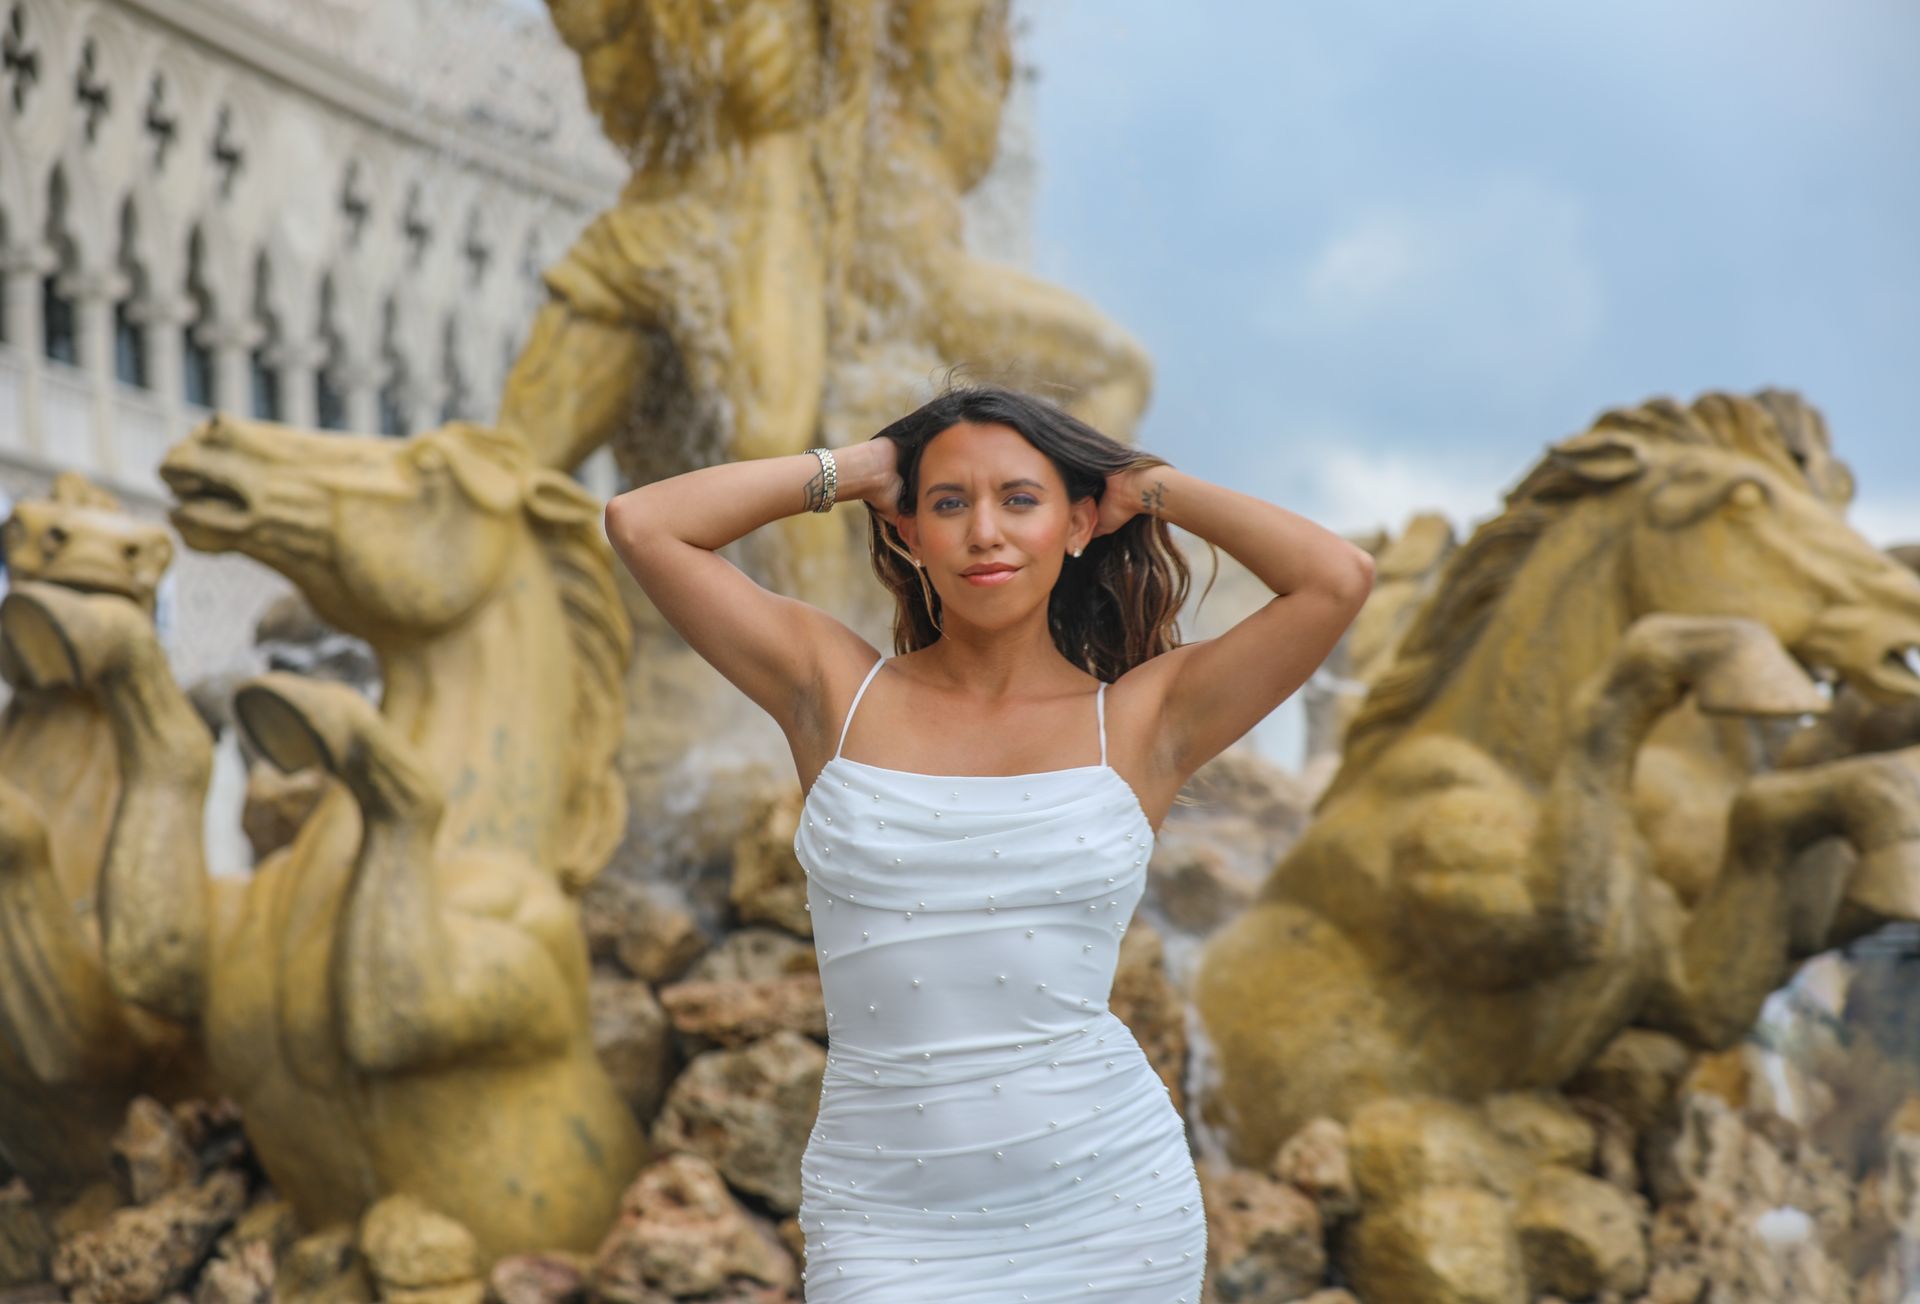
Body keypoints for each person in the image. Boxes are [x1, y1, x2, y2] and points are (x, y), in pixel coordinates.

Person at [604, 380, 1374, 1300]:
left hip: (1106, 1209)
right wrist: (860, 468)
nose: (984, 533)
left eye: (1020, 499)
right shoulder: (833, 693)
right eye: (948, 503)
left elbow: (1336, 578)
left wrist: (1144, 483)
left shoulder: (1139, 722)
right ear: (906, 531)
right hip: (885, 1215)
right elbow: (643, 523)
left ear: (1079, 524)